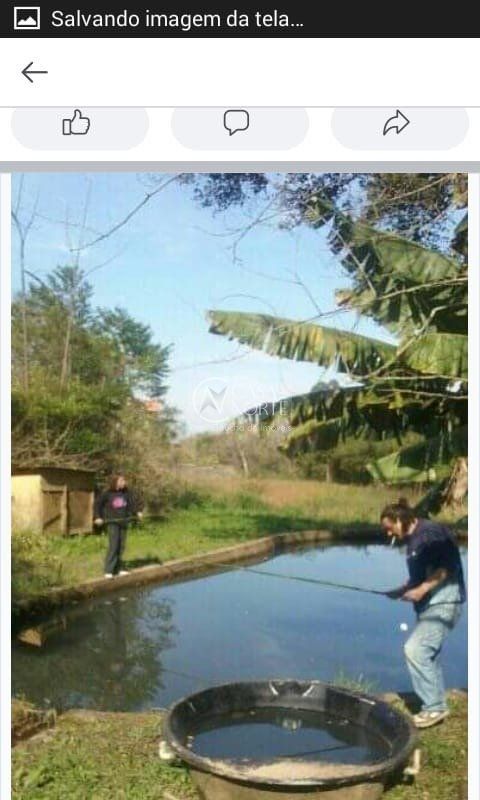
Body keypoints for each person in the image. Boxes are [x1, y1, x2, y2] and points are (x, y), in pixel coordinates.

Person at [381, 498, 466, 729]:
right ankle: (435, 704)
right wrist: (402, 590)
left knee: (415, 650)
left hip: (445, 602)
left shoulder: (432, 533)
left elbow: (448, 567)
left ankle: (434, 709)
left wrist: (421, 589)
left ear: (399, 520)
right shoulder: (413, 541)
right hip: (429, 605)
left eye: (390, 528)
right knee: (429, 655)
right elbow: (419, 577)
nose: (390, 535)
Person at [94, 474, 143, 578]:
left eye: (124, 480)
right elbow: (97, 505)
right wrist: (98, 517)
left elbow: (132, 504)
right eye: (121, 481)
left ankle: (119, 568)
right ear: (115, 482)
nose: (124, 482)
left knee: (121, 546)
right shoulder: (107, 494)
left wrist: (138, 512)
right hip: (112, 523)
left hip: (124, 522)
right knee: (114, 545)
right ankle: (108, 570)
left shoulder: (126, 493)